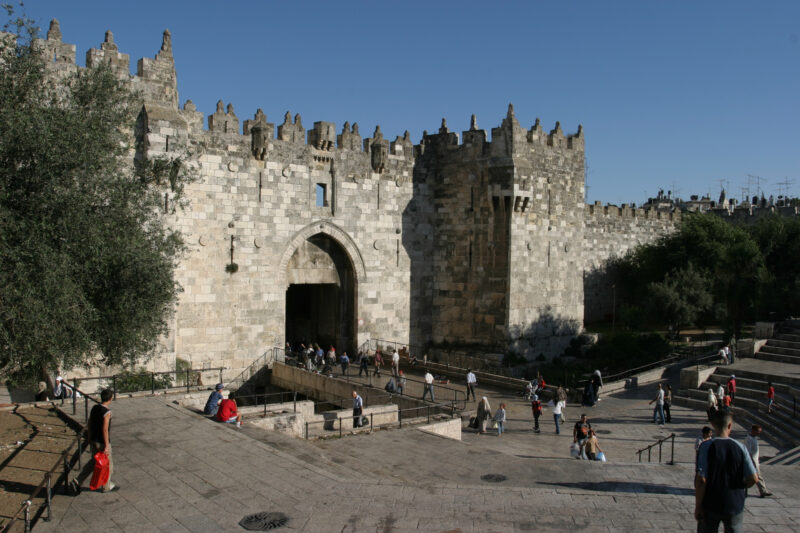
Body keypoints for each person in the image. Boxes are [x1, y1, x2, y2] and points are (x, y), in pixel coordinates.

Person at [695, 410, 758, 532]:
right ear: (730, 425)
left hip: (711, 502)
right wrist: (738, 486)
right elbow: (753, 478)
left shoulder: (706, 446)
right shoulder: (740, 447)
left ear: (712, 425)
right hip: (734, 503)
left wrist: (698, 506)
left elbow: (701, 479)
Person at [88, 389, 116, 492]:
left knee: (94, 463)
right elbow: (105, 429)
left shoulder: (95, 408)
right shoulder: (107, 412)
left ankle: (77, 480)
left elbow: (89, 423)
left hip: (94, 440)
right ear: (110, 399)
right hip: (102, 441)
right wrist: (106, 445)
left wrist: (89, 437)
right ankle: (106, 486)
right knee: (108, 465)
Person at [744, 425, 772, 498]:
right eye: (758, 431)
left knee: (750, 477)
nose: (759, 433)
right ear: (753, 430)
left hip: (755, 460)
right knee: (758, 476)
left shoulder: (755, 438)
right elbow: (748, 452)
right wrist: (752, 462)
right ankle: (763, 491)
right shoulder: (748, 439)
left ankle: (744, 490)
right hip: (752, 460)